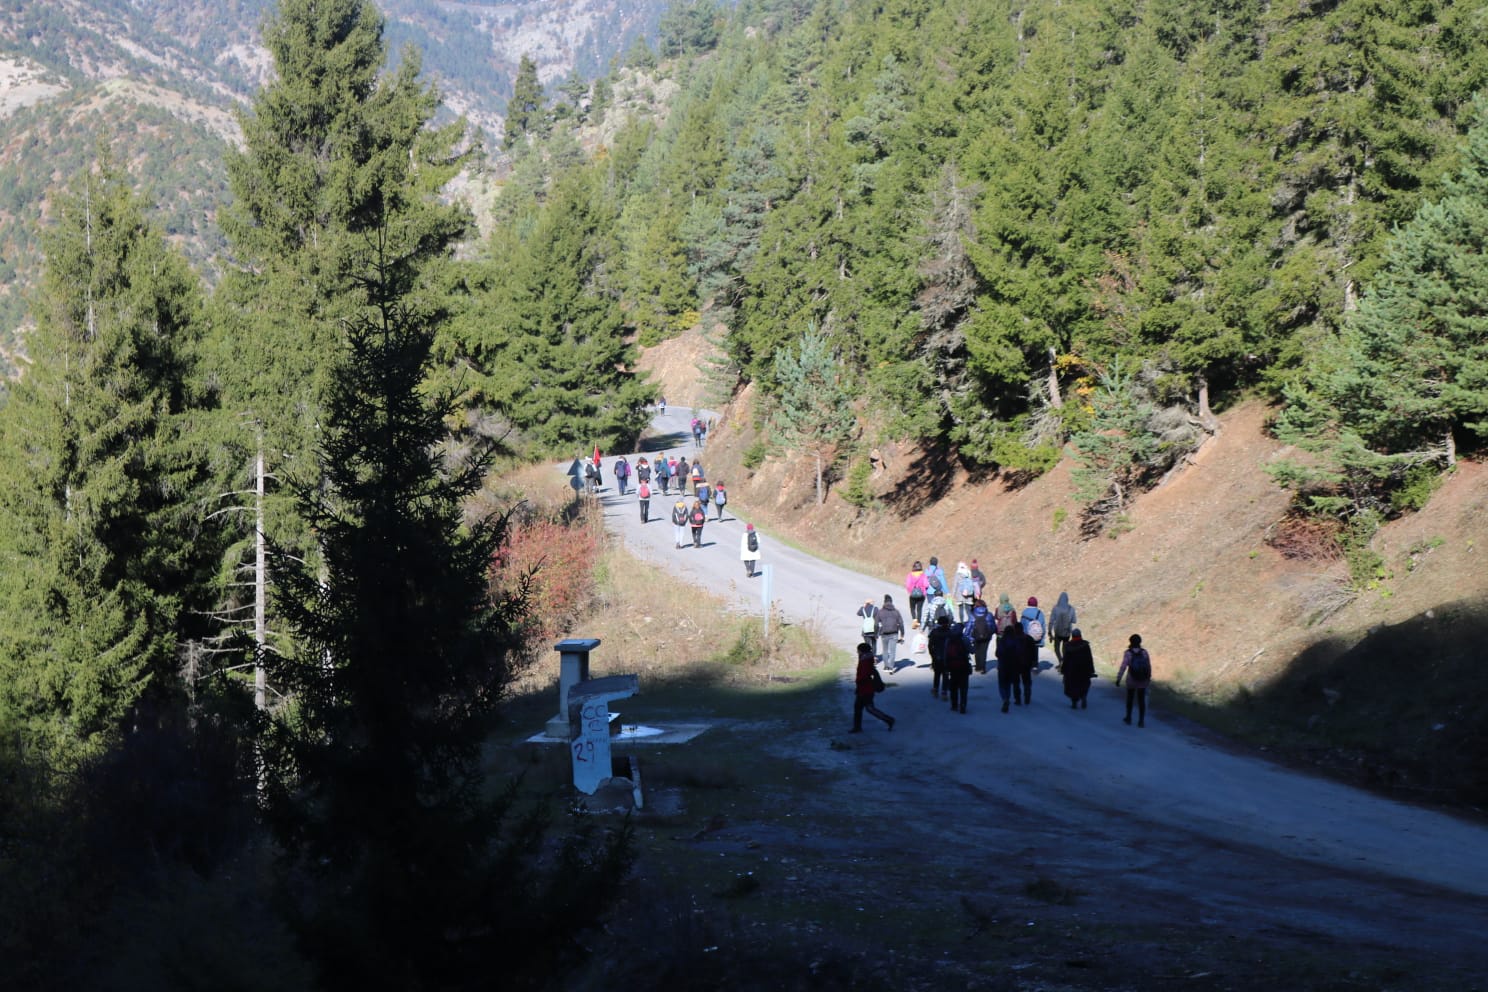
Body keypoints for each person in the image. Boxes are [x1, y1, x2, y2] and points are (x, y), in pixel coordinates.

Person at [851, 643, 894, 733]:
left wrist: (859, 683)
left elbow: (863, 675)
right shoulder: (867, 658)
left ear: (861, 651)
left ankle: (888, 719)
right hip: (866, 688)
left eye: (858, 650)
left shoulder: (864, 660)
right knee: (864, 708)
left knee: (867, 708)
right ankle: (857, 727)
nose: (857, 652)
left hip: (864, 688)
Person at [1115, 634, 1152, 727]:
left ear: (1130, 642)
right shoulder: (1144, 652)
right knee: (1141, 700)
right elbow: (1148, 666)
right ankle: (1141, 721)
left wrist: (1118, 678)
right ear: (1140, 642)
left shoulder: (1128, 653)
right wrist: (1148, 678)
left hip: (1131, 679)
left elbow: (1123, 666)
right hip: (1143, 681)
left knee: (1130, 699)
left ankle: (1128, 717)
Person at [995, 622, 1031, 712]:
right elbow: (1019, 653)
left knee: (1002, 684)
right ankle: (1012, 697)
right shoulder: (1016, 641)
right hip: (1013, 666)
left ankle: (1005, 699)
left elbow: (997, 653)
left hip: (1002, 665)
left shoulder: (1002, 641)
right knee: (1009, 683)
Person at [1062, 628, 1096, 709]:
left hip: (1071, 669)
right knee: (1084, 684)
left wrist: (1063, 669)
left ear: (1072, 636)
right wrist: (1091, 670)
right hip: (1084, 669)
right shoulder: (1085, 645)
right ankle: (1083, 696)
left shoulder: (1068, 645)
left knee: (1072, 685)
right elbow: (1089, 658)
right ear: (1080, 635)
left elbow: (1066, 659)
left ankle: (1074, 702)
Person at [946, 625, 972, 714]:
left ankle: (954, 705)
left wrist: (947, 666)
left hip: (952, 667)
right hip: (963, 666)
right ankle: (963, 705)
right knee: (964, 687)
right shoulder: (965, 639)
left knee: (954, 687)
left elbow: (946, 653)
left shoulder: (949, 640)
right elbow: (972, 650)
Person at [877, 595, 905, 673]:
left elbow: (876, 624)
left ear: (884, 602)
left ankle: (886, 666)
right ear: (891, 602)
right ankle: (891, 667)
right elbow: (901, 624)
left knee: (885, 650)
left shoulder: (880, 611)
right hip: (894, 633)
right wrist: (902, 634)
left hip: (884, 633)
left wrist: (877, 633)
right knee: (892, 651)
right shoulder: (896, 611)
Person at [1049, 592, 1077, 668]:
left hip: (1058, 632)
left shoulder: (1055, 608)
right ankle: (1064, 664)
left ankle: (1061, 661)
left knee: (1056, 648)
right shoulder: (1071, 608)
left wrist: (1050, 632)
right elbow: (1074, 620)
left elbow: (1051, 621)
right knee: (1065, 648)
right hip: (1067, 632)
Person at [967, 598, 995, 674]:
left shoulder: (972, 615)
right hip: (986, 636)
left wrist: (967, 635)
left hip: (975, 635)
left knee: (977, 651)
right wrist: (991, 633)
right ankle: (983, 667)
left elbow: (969, 626)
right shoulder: (989, 614)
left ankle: (978, 666)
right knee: (983, 651)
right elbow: (993, 626)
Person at [927, 613, 951, 699]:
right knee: (945, 674)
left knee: (937, 674)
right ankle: (944, 692)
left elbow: (930, 645)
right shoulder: (950, 632)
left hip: (936, 656)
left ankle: (935, 689)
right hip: (947, 656)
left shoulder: (934, 632)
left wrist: (932, 654)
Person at [905, 561, 929, 627]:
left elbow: (907, 585)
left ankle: (914, 619)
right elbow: (926, 585)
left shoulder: (910, 575)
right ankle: (918, 622)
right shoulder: (923, 575)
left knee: (912, 607)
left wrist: (910, 591)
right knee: (919, 609)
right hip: (921, 594)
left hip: (912, 594)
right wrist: (923, 589)